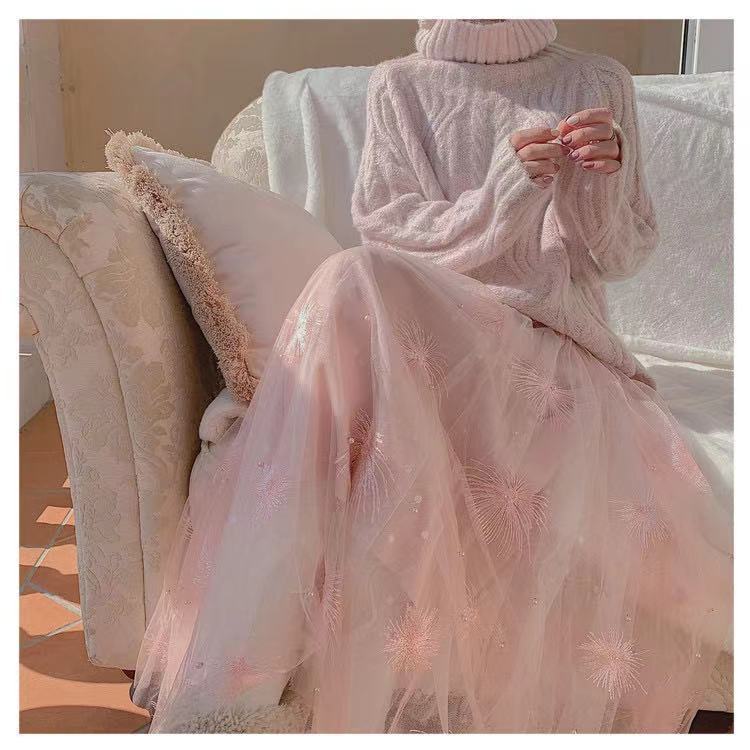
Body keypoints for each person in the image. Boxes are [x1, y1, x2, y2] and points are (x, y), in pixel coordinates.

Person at [133, 20, 732, 733]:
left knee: (355, 292)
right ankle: (235, 704)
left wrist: (598, 186)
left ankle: (232, 699)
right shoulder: (401, 85)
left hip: (549, 348)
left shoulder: (598, 80)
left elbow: (620, 255)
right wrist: (503, 197)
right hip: (436, 336)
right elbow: (389, 235)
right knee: (356, 279)